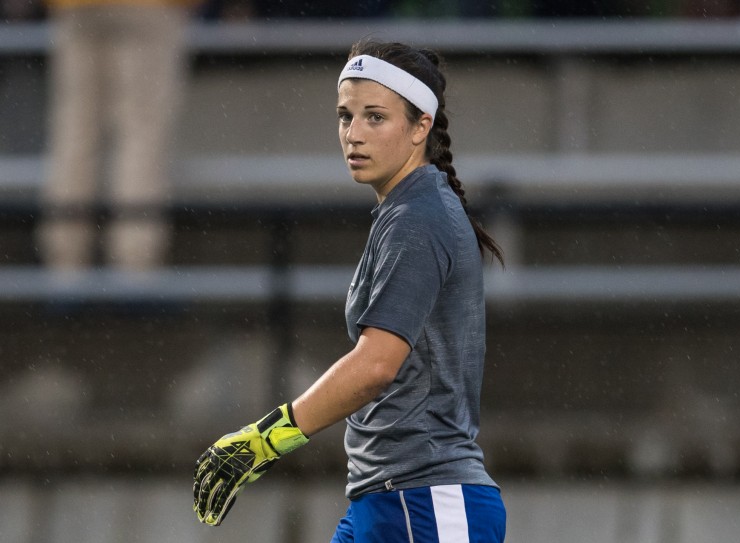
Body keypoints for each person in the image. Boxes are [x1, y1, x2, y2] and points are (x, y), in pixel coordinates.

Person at [193, 39, 508, 543]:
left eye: (375, 118)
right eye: (345, 116)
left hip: (424, 501)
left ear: (419, 127)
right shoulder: (408, 211)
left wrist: (266, 439)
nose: (353, 134)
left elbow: (376, 364)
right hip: (388, 498)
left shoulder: (418, 218)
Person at [37, 0, 197, 272]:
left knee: (76, 131)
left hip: (76, 7)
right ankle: (134, 263)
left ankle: (65, 264)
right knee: (142, 133)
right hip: (151, 7)